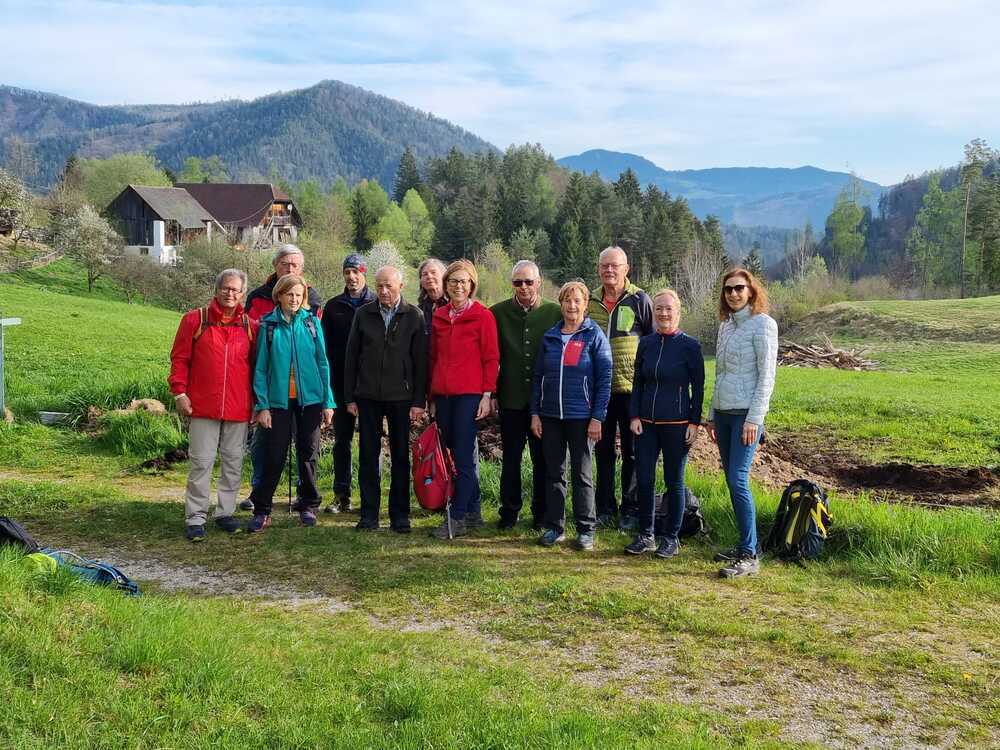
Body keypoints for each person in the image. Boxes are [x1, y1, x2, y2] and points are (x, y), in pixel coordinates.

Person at [169, 269, 258, 542]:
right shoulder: (195, 320)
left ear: (243, 294)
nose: (230, 294)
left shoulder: (250, 326)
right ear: (217, 290)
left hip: (238, 406)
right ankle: (196, 517)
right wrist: (179, 393)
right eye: (225, 288)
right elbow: (180, 359)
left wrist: (258, 403)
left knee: (233, 462)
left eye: (235, 290)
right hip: (202, 405)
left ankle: (225, 513)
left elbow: (258, 368)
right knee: (201, 462)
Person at [246, 274, 336, 532]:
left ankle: (308, 505)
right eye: (290, 294)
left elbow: (322, 362)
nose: (294, 299)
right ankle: (262, 509)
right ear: (279, 296)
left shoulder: (311, 323)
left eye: (299, 295)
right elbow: (261, 369)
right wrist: (262, 405)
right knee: (274, 454)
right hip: (278, 401)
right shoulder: (268, 325)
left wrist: (328, 402)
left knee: (308, 454)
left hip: (311, 400)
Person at [705, 267, 778, 578]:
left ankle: (749, 554)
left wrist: (755, 420)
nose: (733, 293)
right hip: (723, 415)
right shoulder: (726, 326)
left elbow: (767, 377)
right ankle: (745, 544)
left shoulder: (763, 324)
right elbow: (720, 374)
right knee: (731, 480)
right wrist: (711, 414)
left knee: (738, 479)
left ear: (751, 291)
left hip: (745, 417)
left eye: (739, 288)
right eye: (728, 289)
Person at [342, 266, 427, 533]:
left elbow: (421, 362)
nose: (383, 291)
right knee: (368, 455)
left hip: (401, 397)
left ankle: (400, 516)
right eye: (379, 286)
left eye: (389, 285)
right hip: (367, 396)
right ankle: (369, 515)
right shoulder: (363, 314)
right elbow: (351, 357)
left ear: (401, 286)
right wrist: (349, 396)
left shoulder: (414, 315)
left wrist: (419, 401)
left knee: (400, 456)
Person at [240, 244, 324, 511]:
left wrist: (328, 400)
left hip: (306, 393)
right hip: (273, 390)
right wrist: (260, 400)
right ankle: (259, 494)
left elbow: (320, 358)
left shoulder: (313, 305)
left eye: (294, 265)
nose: (289, 268)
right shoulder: (258, 298)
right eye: (285, 263)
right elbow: (252, 342)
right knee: (266, 446)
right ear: (275, 265)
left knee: (307, 448)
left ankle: (305, 497)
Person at [530, 281, 612, 551]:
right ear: (561, 304)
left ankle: (586, 530)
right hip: (551, 416)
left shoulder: (594, 335)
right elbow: (538, 378)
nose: (572, 306)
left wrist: (597, 417)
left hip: (582, 417)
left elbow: (605, 379)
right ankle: (555, 527)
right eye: (567, 300)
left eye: (577, 300)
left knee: (582, 474)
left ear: (586, 304)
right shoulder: (550, 337)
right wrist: (535, 413)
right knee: (554, 473)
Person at [624, 289, 705, 559]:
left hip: (677, 424)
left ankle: (671, 538)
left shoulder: (690, 346)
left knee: (674, 481)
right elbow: (637, 382)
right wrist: (634, 416)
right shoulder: (646, 343)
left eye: (668, 308)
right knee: (645, 480)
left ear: (678, 311)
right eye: (658, 308)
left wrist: (694, 422)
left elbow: (698, 389)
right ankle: (646, 534)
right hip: (646, 424)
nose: (663, 313)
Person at [428, 259, 499, 539]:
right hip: (443, 395)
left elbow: (491, 358)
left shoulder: (483, 316)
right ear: (446, 285)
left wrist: (487, 394)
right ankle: (473, 510)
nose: (458, 286)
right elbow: (433, 357)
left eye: (463, 281)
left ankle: (456, 518)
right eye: (453, 281)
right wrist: (432, 396)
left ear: (471, 285)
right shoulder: (439, 316)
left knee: (463, 457)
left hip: (469, 395)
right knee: (452, 453)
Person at [490, 260, 562, 530]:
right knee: (511, 459)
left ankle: (541, 513)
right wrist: (492, 393)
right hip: (511, 398)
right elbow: (491, 357)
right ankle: (509, 512)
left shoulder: (554, 312)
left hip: (544, 400)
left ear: (539, 282)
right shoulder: (497, 313)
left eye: (529, 282)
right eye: (518, 282)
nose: (523, 287)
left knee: (542, 459)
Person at [587, 246, 653, 530]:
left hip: (631, 391)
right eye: (605, 266)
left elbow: (651, 342)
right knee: (603, 452)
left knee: (632, 453)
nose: (609, 270)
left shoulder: (640, 300)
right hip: (599, 391)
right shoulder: (589, 301)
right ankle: (604, 508)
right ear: (599, 269)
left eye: (615, 265)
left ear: (627, 268)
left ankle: (631, 509)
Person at [321, 254, 376, 514]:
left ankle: (369, 497)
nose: (352, 277)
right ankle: (341, 495)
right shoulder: (333, 307)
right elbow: (324, 350)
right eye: (347, 272)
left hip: (370, 385)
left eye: (356, 272)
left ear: (364, 273)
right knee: (341, 442)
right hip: (341, 385)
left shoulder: (377, 302)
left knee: (370, 443)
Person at [417, 257, 448, 340]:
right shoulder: (418, 311)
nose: (429, 276)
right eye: (425, 274)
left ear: (444, 276)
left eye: (433, 272)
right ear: (421, 281)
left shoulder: (455, 306)